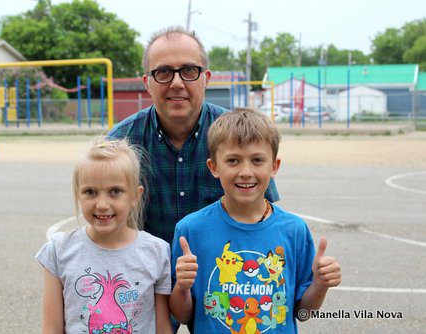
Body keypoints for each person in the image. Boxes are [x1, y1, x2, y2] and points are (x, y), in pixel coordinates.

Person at [169, 108, 342, 333]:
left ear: (274, 167)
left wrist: (320, 284)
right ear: (214, 167)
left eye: (257, 160)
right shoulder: (190, 230)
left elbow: (303, 313)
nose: (246, 172)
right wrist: (182, 287)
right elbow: (182, 315)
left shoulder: (294, 230)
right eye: (233, 161)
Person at [108, 26, 279, 245]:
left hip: (224, 272)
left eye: (189, 71)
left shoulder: (241, 135)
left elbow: (267, 217)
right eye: (163, 72)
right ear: (147, 83)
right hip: (146, 276)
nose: (177, 83)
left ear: (206, 78)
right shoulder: (120, 142)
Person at [35, 137, 172, 334]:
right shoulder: (59, 251)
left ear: (135, 195)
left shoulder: (156, 252)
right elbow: (52, 328)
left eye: (115, 191)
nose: (102, 204)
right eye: (90, 192)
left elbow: (162, 328)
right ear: (77, 194)